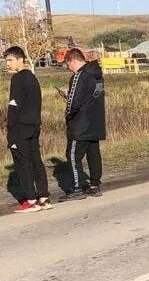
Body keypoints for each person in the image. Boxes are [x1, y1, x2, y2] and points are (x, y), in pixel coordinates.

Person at [4, 46, 51, 213]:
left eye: (9, 60)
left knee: (23, 163)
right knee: (36, 161)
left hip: (20, 128)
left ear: (20, 60)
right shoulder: (32, 77)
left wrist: (10, 130)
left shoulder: (18, 78)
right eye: (6, 60)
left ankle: (31, 200)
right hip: (34, 126)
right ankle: (44, 198)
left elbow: (14, 105)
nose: (7, 64)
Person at [59, 48, 106, 200]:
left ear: (72, 60)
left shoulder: (79, 76)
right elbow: (91, 96)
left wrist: (68, 115)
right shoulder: (97, 74)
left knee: (72, 155)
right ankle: (95, 184)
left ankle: (77, 187)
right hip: (96, 121)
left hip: (81, 123)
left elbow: (74, 102)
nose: (68, 68)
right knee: (93, 153)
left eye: (67, 64)